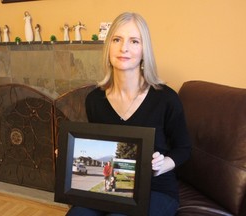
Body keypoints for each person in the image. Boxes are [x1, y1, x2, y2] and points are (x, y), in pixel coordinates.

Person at [66, 12, 191, 216]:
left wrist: (161, 165)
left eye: (134, 41)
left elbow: (184, 148)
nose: (124, 48)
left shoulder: (166, 99)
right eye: (117, 39)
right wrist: (70, 154)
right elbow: (101, 149)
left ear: (144, 51)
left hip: (156, 189)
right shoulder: (94, 100)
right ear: (108, 47)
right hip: (111, 185)